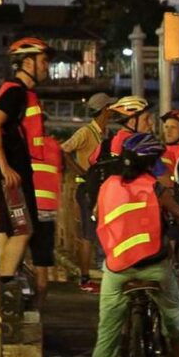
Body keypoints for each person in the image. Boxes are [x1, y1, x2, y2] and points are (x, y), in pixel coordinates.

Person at [83, 133, 179, 357]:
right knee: (174, 318)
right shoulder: (155, 187)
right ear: (152, 163)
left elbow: (96, 217)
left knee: (106, 333)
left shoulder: (107, 185)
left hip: (117, 269)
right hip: (153, 267)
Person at [0, 37, 53, 283]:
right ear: (27, 62)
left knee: (8, 229)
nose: (47, 67)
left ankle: (0, 289)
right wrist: (5, 167)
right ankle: (4, 286)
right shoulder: (14, 91)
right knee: (24, 230)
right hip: (10, 173)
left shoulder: (17, 91)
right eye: (43, 61)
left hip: (9, 171)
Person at [61, 93, 116, 293]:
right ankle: (84, 279)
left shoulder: (105, 133)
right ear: (104, 110)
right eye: (110, 107)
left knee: (101, 233)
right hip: (87, 190)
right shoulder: (86, 132)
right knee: (88, 235)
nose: (112, 110)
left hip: (101, 190)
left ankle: (104, 273)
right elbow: (63, 150)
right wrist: (80, 171)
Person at [28, 134, 62, 309]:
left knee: (12, 257)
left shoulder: (18, 142)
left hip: (23, 210)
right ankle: (38, 309)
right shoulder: (53, 145)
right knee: (41, 263)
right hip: (48, 211)